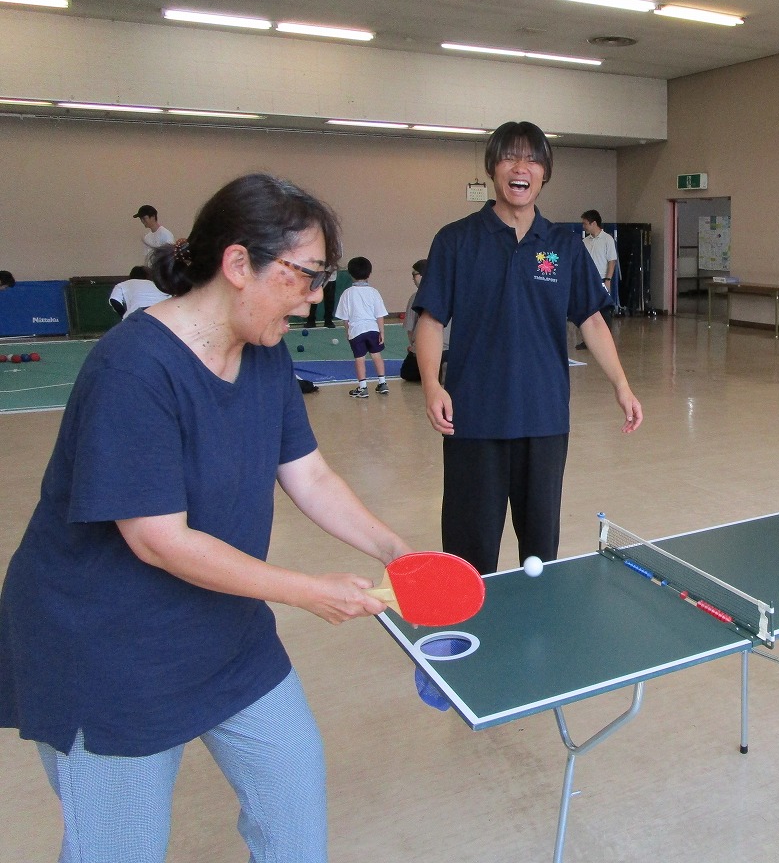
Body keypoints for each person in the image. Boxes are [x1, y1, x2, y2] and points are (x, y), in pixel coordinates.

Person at [0, 173, 411, 863]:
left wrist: (393, 548)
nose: (316, 299)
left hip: (225, 631)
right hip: (107, 652)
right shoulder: (133, 367)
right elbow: (159, 540)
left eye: (323, 280)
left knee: (294, 811)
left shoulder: (266, 352)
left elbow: (307, 473)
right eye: (306, 277)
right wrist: (308, 591)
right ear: (238, 264)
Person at [414, 120, 643, 574]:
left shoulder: (562, 244)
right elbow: (431, 319)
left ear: (545, 172)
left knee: (540, 552)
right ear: (492, 169)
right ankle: (475, 634)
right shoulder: (457, 240)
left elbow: (592, 319)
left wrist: (622, 384)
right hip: (473, 418)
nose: (521, 168)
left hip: (543, 418)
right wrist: (430, 385)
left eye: (533, 159)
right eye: (509, 157)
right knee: (468, 549)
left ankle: (535, 636)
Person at [334, 256, 389, 399]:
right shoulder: (374, 292)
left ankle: (363, 387)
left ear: (350, 274)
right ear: (369, 274)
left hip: (356, 331)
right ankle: (382, 383)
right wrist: (381, 331)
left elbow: (345, 318)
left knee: (359, 358)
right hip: (373, 329)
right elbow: (379, 315)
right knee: (377, 355)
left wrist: (348, 332)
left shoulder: (347, 294)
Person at [400, 258, 449, 384]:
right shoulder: (449, 294)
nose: (413, 278)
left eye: (414, 274)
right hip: (450, 349)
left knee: (407, 372)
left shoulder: (416, 297)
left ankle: (434, 371)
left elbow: (410, 330)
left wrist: (413, 346)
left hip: (426, 349)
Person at [574, 209, 617, 350]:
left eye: (585, 223)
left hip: (602, 279)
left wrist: (608, 279)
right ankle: (588, 341)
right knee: (588, 311)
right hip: (587, 280)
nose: (583, 226)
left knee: (604, 310)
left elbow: (612, 261)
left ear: (593, 223)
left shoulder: (607, 239)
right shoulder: (585, 241)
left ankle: (606, 341)